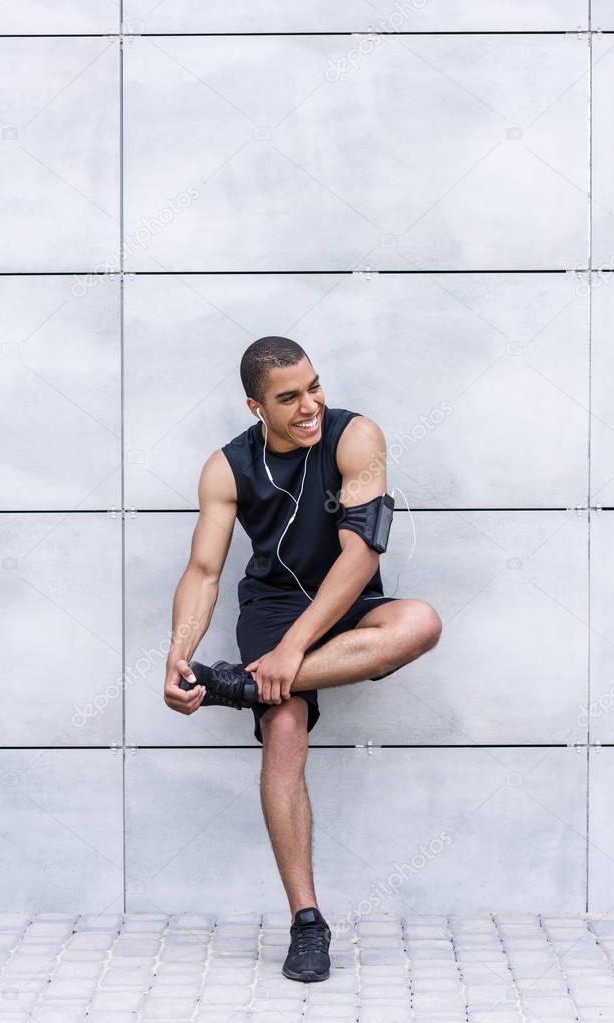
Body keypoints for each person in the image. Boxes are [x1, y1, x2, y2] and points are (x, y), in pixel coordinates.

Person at [163, 336, 442, 983]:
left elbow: (360, 555)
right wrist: (179, 654)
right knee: (283, 727)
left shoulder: (356, 436)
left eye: (313, 385)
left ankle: (238, 685)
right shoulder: (225, 467)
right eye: (288, 397)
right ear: (255, 405)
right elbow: (203, 571)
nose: (310, 403)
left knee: (419, 620)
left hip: (343, 598)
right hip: (270, 606)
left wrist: (292, 654)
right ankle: (307, 922)